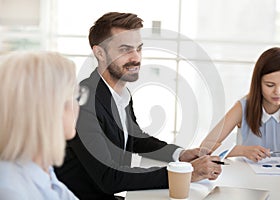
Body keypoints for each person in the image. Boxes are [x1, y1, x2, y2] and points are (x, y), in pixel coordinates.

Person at [55, 12, 222, 200]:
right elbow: (109, 177)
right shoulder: (84, 102)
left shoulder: (119, 93)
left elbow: (136, 137)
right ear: (100, 53)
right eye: (125, 49)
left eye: (139, 48)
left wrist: (180, 155)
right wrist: (185, 173)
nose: (136, 58)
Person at [0, 51, 81, 200]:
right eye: (74, 96)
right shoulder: (11, 192)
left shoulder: (42, 167)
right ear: (47, 109)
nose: (77, 106)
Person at [200, 47, 280, 162]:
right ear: (258, 82)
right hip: (247, 176)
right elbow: (205, 146)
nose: (277, 92)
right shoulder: (242, 107)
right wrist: (242, 151)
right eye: (270, 85)